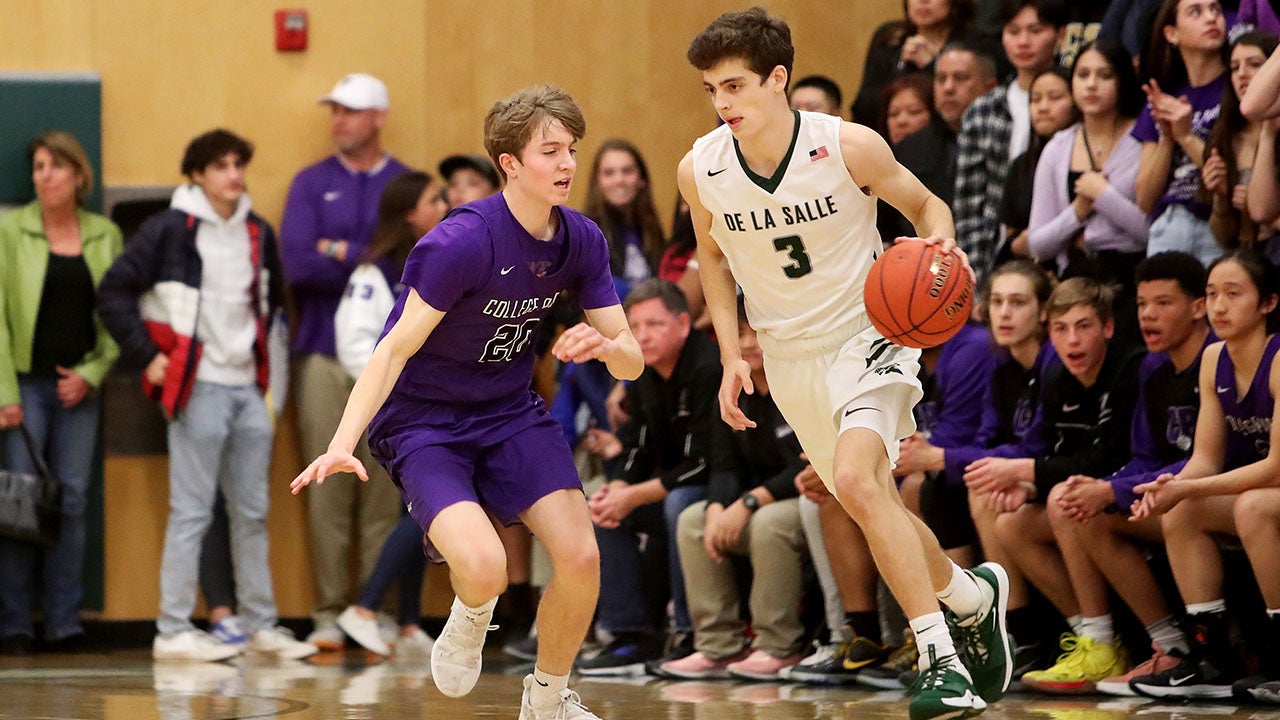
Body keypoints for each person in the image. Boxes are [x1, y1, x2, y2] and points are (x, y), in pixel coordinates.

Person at [680, 9, 1011, 719]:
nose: (722, 103)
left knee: (861, 481)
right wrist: (733, 353)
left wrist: (944, 255)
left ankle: (941, 661)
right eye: (712, 90)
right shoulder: (700, 167)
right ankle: (972, 596)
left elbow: (927, 208)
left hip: (873, 333)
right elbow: (711, 253)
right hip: (791, 356)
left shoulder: (847, 145)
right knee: (870, 503)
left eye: (735, 86)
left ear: (778, 79)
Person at [291, 85, 642, 720]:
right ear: (509, 163)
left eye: (572, 150)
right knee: (485, 568)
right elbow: (392, 350)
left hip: (509, 412)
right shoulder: (461, 241)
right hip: (425, 422)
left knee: (581, 554)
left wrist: (606, 346)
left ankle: (548, 699)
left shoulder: (583, 239)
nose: (568, 164)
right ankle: (473, 606)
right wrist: (342, 442)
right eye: (550, 151)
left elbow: (633, 357)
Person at [97, 129, 315, 662]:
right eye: (220, 166)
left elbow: (275, 313)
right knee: (192, 510)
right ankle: (172, 630)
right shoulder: (168, 230)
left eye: (238, 164)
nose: (233, 174)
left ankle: (262, 625)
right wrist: (149, 355)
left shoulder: (258, 232)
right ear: (196, 174)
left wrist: (273, 388)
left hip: (250, 389)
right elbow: (113, 291)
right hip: (198, 386)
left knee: (252, 512)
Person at [1033, 252, 1210, 696]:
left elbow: (1212, 461)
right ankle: (1157, 647)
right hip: (1169, 491)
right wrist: (1107, 488)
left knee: (1176, 512)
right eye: (1143, 303)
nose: (1149, 314)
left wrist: (1113, 486)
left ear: (1197, 306)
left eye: (1163, 303)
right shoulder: (1155, 369)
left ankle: (1207, 656)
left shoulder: (1214, 362)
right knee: (1076, 503)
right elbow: (1144, 455)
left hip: (1211, 495)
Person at [280, 72, 411, 649]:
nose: (339, 120)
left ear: (379, 116)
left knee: (386, 488)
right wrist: (364, 256)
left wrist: (338, 251)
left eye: (352, 111)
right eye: (334, 110)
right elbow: (297, 266)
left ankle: (371, 609)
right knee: (327, 487)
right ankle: (330, 612)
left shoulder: (406, 183)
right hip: (324, 356)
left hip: (393, 360)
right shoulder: (311, 183)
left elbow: (413, 265)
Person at [969, 278, 1143, 682]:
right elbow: (1059, 453)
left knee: (1063, 501)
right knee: (1010, 522)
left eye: (1083, 327)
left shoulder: (1129, 368)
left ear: (1109, 328)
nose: (1072, 340)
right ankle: (1089, 640)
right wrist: (1028, 486)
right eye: (1062, 329)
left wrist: (1026, 473)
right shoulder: (1057, 379)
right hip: (1091, 495)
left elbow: (1110, 457)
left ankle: (1128, 641)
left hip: (1135, 491)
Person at [1129, 248, 1280, 701]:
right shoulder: (1215, 358)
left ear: (1268, 303)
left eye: (1233, 294)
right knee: (1182, 510)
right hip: (1266, 491)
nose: (1218, 306)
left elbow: (1275, 467)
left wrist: (1190, 486)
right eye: (1212, 294)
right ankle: (1210, 654)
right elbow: (1206, 458)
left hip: (1271, 487)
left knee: (1252, 506)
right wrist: (1175, 486)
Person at [0, 131, 122, 655]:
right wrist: (5, 392)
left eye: (53, 166)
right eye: (37, 167)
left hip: (78, 389)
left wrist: (91, 374)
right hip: (23, 388)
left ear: (78, 175)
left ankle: (65, 622)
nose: (42, 176)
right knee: (21, 504)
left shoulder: (104, 235)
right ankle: (14, 625)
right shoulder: (11, 230)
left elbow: (117, 314)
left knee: (71, 502)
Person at [574, 279, 718, 675]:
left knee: (678, 504)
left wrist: (634, 494)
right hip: (666, 487)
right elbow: (633, 446)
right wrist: (619, 487)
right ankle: (629, 635)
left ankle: (687, 632)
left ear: (684, 324)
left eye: (654, 325)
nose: (642, 336)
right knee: (602, 504)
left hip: (719, 488)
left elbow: (705, 462)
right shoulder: (641, 373)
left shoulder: (708, 368)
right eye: (634, 328)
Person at [333, 171, 448, 656]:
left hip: (436, 407)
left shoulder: (438, 264)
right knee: (423, 511)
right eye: (433, 199)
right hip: (399, 411)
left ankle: (405, 623)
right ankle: (364, 609)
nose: (445, 205)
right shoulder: (374, 272)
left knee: (423, 511)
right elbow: (356, 344)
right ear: (409, 213)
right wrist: (395, 389)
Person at [659, 311, 810, 681]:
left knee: (769, 524)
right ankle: (719, 646)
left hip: (800, 500)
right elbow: (724, 464)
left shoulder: (798, 386)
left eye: (756, 333)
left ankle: (778, 644)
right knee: (693, 520)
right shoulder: (731, 392)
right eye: (740, 334)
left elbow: (807, 465)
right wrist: (715, 509)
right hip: (752, 502)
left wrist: (749, 502)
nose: (746, 343)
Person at [955, 0, 1069, 282]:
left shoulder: (1076, 101)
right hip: (1002, 257)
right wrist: (978, 280)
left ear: (1060, 35)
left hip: (1066, 249)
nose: (1023, 41)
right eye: (1013, 31)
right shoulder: (983, 111)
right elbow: (970, 208)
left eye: (1035, 30)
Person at [1133, 0, 1229, 265]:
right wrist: (1167, 137)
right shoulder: (1166, 97)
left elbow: (1231, 179)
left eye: (1216, 10)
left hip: (1219, 225)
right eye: (1196, 12)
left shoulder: (1238, 88)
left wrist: (1186, 137)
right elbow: (1144, 199)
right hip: (1169, 223)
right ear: (1171, 33)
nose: (1211, 18)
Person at [882, 43, 1000, 242]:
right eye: (941, 79)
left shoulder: (1004, 139)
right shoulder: (910, 147)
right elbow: (886, 221)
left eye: (960, 78)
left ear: (990, 87)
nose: (948, 88)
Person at [1201, 31, 1280, 249]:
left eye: (1254, 64)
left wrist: (1266, 217)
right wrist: (1220, 199)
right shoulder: (1223, 135)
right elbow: (1223, 238)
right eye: (1235, 68)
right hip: (1244, 254)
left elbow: (1262, 211)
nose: (1242, 75)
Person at [853, 0, 979, 126]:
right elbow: (862, 112)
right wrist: (901, 68)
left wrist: (931, 65)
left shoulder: (976, 50)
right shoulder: (889, 52)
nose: (923, 1)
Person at [1001, 66, 1081, 264]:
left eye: (1054, 97)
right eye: (1036, 99)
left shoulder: (1084, 160)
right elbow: (1011, 237)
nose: (1043, 107)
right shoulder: (1021, 165)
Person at [582, 139, 665, 294]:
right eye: (609, 173)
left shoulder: (651, 229)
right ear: (597, 182)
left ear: (642, 179)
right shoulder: (584, 232)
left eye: (627, 171)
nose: (619, 180)